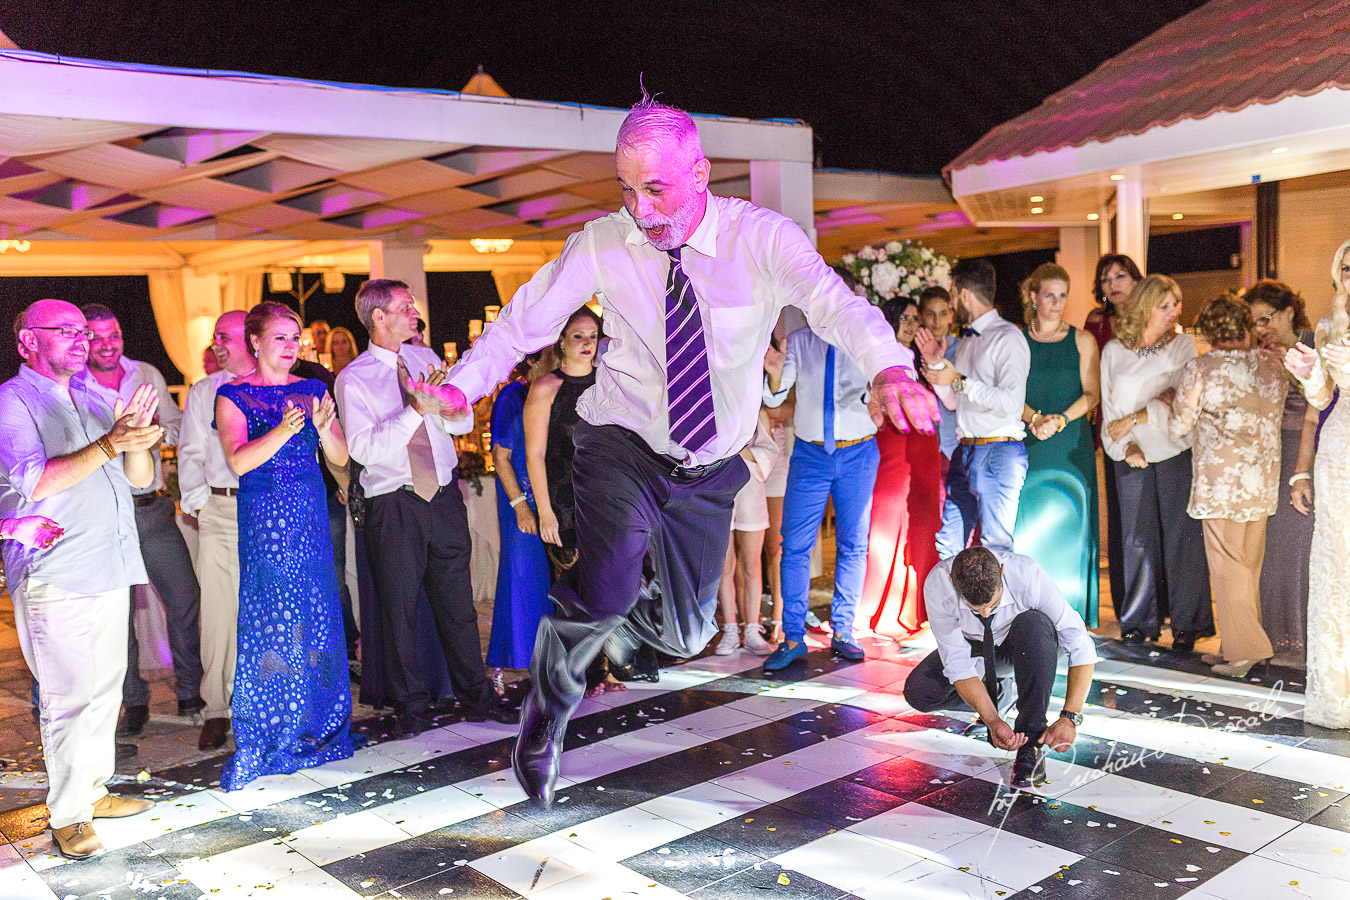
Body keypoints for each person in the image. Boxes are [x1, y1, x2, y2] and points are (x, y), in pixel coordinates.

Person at [424, 97, 937, 806]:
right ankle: (545, 713)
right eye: (626, 190)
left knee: (690, 629)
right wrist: (462, 388)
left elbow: (833, 302)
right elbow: (523, 321)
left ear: (699, 173)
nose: (640, 208)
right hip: (620, 441)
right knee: (601, 587)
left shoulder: (762, 240)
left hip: (708, 464)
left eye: (656, 189)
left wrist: (889, 367)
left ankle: (623, 615)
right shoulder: (605, 242)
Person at [0, 299, 163, 858]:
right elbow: (36, 482)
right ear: (27, 342)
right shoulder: (12, 401)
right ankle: (68, 813)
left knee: (104, 691)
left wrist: (139, 438)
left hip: (112, 560)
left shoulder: (96, 397)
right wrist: (113, 441)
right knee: (68, 697)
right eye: (64, 331)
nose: (80, 339)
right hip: (57, 567)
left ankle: (92, 792)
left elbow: (139, 480)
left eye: (83, 331)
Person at [336, 279, 518, 738]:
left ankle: (476, 697)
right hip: (393, 502)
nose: (415, 312)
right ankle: (411, 709)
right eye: (404, 306)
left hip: (442, 494)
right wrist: (417, 409)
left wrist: (446, 404)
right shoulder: (353, 378)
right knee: (400, 611)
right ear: (378, 316)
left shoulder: (426, 360)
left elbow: (462, 419)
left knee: (458, 605)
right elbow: (364, 449)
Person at [215, 302, 356, 788]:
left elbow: (340, 456)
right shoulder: (233, 395)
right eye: (281, 337)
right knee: (274, 619)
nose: (292, 346)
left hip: (312, 515)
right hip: (267, 518)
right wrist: (282, 430)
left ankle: (319, 725)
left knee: (316, 613)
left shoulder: (314, 389)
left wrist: (321, 429)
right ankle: (273, 727)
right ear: (254, 342)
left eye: (295, 338)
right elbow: (238, 462)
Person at [77, 304, 205, 739]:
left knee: (185, 597)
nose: (108, 344)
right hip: (106, 513)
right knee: (121, 612)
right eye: (97, 337)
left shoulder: (146, 373)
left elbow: (176, 427)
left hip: (151, 508)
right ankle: (134, 701)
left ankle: (191, 690)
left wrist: (151, 429)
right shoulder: (73, 385)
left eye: (114, 334)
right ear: (83, 340)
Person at [903, 547, 1096, 790]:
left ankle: (1030, 744)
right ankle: (999, 693)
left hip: (1032, 644)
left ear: (1002, 572)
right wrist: (992, 719)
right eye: (975, 608)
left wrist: (1070, 716)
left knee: (1033, 624)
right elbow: (957, 663)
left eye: (991, 604)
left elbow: (1080, 643)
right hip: (977, 647)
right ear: (952, 581)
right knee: (920, 691)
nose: (985, 613)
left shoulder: (1027, 574)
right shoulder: (938, 584)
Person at [1169, 297, 1282, 677]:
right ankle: (1239, 644)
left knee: (1228, 568)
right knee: (1249, 566)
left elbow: (1178, 427)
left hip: (1222, 483)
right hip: (1262, 478)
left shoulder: (1202, 367)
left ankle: (1247, 651)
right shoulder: (1269, 364)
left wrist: (1171, 402)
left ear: (1210, 331)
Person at [1099, 275, 1212, 650]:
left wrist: (1136, 418)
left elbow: (1178, 395)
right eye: (1165, 305)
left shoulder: (1182, 346)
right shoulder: (1114, 351)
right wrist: (1128, 445)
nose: (1174, 312)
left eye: (1176, 304)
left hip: (1175, 450)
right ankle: (1138, 622)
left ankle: (1187, 626)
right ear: (1145, 306)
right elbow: (1111, 411)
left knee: (1182, 541)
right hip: (1130, 455)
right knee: (1135, 539)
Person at [762, 317, 880, 669]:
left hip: (858, 450)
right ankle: (794, 636)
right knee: (794, 544)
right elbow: (776, 396)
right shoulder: (798, 341)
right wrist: (774, 374)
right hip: (810, 453)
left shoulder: (865, 336)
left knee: (854, 544)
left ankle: (843, 630)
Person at [916, 259, 1031, 557]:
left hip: (998, 452)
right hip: (965, 451)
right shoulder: (967, 340)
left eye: (952, 296)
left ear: (964, 294)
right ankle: (957, 605)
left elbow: (1011, 403)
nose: (952, 304)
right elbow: (956, 401)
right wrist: (937, 365)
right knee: (948, 542)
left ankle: (1000, 606)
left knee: (996, 546)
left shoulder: (1008, 337)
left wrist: (959, 380)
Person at [178, 311, 254, 750]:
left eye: (224, 336)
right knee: (220, 615)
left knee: (270, 611)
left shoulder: (275, 384)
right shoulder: (205, 390)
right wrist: (201, 505)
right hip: (221, 510)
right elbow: (189, 453)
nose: (216, 344)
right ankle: (217, 708)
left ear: (251, 338)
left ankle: (267, 698)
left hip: (269, 514)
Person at [1283, 238, 1350, 730]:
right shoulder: (1331, 326)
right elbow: (1323, 400)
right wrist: (1310, 378)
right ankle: (1337, 695)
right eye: (1346, 268)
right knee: (1336, 572)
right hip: (1340, 452)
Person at [1012, 265, 1101, 626]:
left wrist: (1061, 419)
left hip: (1070, 445)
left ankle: (1071, 612)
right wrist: (1034, 418)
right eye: (1049, 295)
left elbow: (1092, 395)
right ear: (1033, 297)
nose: (1057, 303)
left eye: (1063, 295)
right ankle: (1030, 615)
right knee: (1029, 528)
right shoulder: (1017, 339)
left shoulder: (1083, 340)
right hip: (1029, 442)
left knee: (1071, 524)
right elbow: (1008, 394)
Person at [859, 296, 943, 639]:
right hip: (892, 446)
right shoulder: (879, 361)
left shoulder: (924, 360)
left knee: (921, 526)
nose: (910, 324)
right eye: (904, 318)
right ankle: (878, 605)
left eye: (914, 318)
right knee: (885, 524)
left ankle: (918, 608)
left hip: (924, 451)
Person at [1243, 279, 1317, 662]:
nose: (1261, 329)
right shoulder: (1258, 353)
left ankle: (1300, 634)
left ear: (1289, 311)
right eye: (1254, 323)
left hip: (1302, 453)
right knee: (1270, 545)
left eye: (1266, 318)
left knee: (1297, 543)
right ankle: (1273, 633)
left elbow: (1322, 400)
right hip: (1267, 455)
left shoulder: (1311, 345)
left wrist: (1287, 366)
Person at [486, 354, 553, 690]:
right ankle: (504, 663)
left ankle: (541, 660)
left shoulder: (554, 388)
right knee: (520, 578)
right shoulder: (513, 396)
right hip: (520, 501)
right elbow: (500, 457)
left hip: (549, 500)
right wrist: (520, 505)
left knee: (544, 582)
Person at [1085, 254, 1142, 625]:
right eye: (1106, 279)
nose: (1113, 284)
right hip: (1112, 425)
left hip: (1153, 422)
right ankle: (1127, 606)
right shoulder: (1096, 322)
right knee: (1121, 518)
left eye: (1120, 276)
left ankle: (1158, 605)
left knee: (1149, 521)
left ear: (1136, 279)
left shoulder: (1155, 316)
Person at [714, 407, 779, 655]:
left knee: (751, 563)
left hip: (751, 489)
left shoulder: (756, 409)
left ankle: (752, 628)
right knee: (724, 564)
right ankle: (730, 629)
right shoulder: (715, 403)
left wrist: (738, 453)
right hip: (719, 488)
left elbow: (769, 450)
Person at [918, 286, 962, 462]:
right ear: (921, 316)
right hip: (924, 443)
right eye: (930, 314)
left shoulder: (962, 349)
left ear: (951, 315)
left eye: (943, 313)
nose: (937, 321)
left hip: (956, 441)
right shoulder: (911, 352)